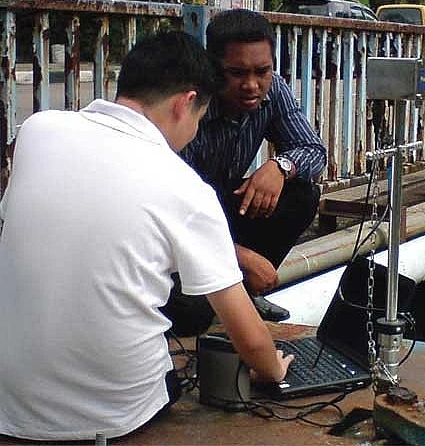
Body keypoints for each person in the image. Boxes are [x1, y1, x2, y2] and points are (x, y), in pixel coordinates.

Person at [0, 31, 293, 441]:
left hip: (9, 405)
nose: (193, 133)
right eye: (198, 120)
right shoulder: (185, 187)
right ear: (185, 103)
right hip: (115, 415)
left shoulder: (38, 130)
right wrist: (274, 369)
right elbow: (250, 339)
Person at [170, 9, 327, 326]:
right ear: (212, 68)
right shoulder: (188, 105)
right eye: (237, 73)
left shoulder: (274, 90)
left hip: (221, 207)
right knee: (192, 319)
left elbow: (314, 151)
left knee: (302, 193)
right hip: (178, 227)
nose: (252, 85)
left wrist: (280, 166)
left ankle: (242, 294)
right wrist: (242, 257)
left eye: (262, 71)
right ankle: (221, 292)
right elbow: (168, 211)